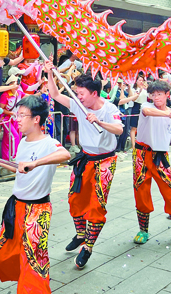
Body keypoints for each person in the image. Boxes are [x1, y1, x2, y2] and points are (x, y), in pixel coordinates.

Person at [44, 63, 123, 269]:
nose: (78, 97)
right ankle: (80, 235)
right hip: (84, 159)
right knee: (75, 199)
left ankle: (87, 247)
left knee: (96, 206)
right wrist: (50, 73)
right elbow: (54, 94)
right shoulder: (78, 105)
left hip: (105, 161)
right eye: (76, 93)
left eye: (81, 93)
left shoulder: (109, 108)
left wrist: (99, 121)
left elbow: (119, 130)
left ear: (94, 93)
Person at [0, 95, 70, 293]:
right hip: (16, 207)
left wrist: (36, 163)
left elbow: (65, 155)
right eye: (17, 115)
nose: (17, 119)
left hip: (38, 209)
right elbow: (18, 169)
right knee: (6, 253)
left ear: (36, 119)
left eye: (21, 115)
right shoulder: (23, 141)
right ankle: (23, 284)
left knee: (34, 256)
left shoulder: (49, 143)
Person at [132, 80, 171, 246]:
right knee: (141, 192)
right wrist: (168, 115)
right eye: (153, 94)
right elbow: (149, 112)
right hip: (142, 155)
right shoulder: (145, 107)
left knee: (169, 191)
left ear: (167, 95)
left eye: (159, 94)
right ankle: (143, 230)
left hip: (161, 157)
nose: (156, 97)